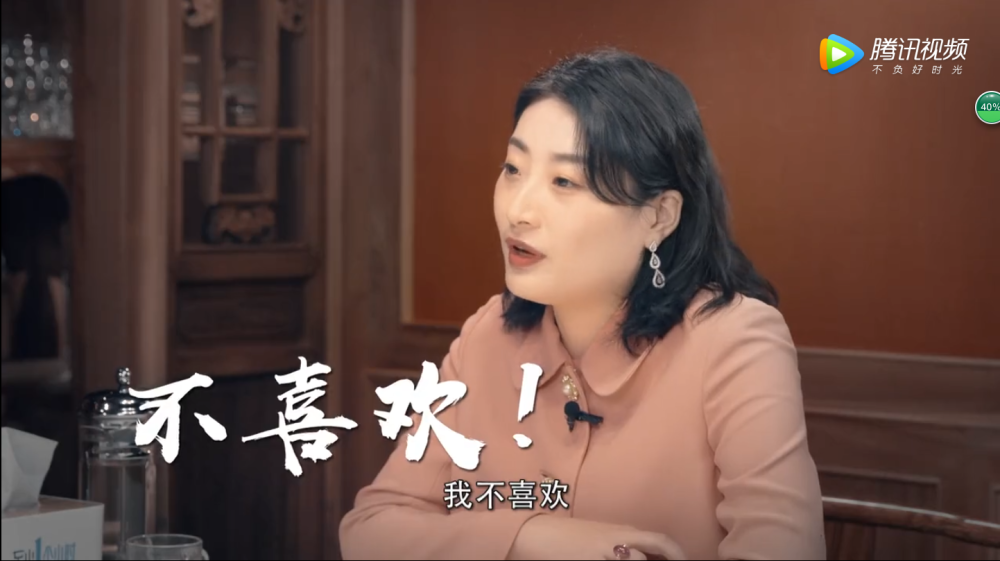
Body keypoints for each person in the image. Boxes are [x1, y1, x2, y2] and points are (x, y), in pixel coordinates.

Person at [339, 48, 826, 560]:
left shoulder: (735, 342)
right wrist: (530, 539)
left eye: (564, 182)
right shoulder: (489, 335)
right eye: (513, 169)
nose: (519, 210)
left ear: (659, 216)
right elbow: (372, 530)